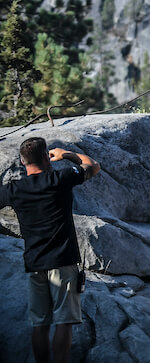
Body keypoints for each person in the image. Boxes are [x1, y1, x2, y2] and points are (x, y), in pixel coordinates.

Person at [0, 137, 101, 363]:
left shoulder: (14, 189)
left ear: (22, 161)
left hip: (34, 263)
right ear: (47, 157)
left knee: (40, 324)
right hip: (63, 261)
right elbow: (92, 165)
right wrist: (65, 154)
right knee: (64, 322)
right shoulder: (59, 178)